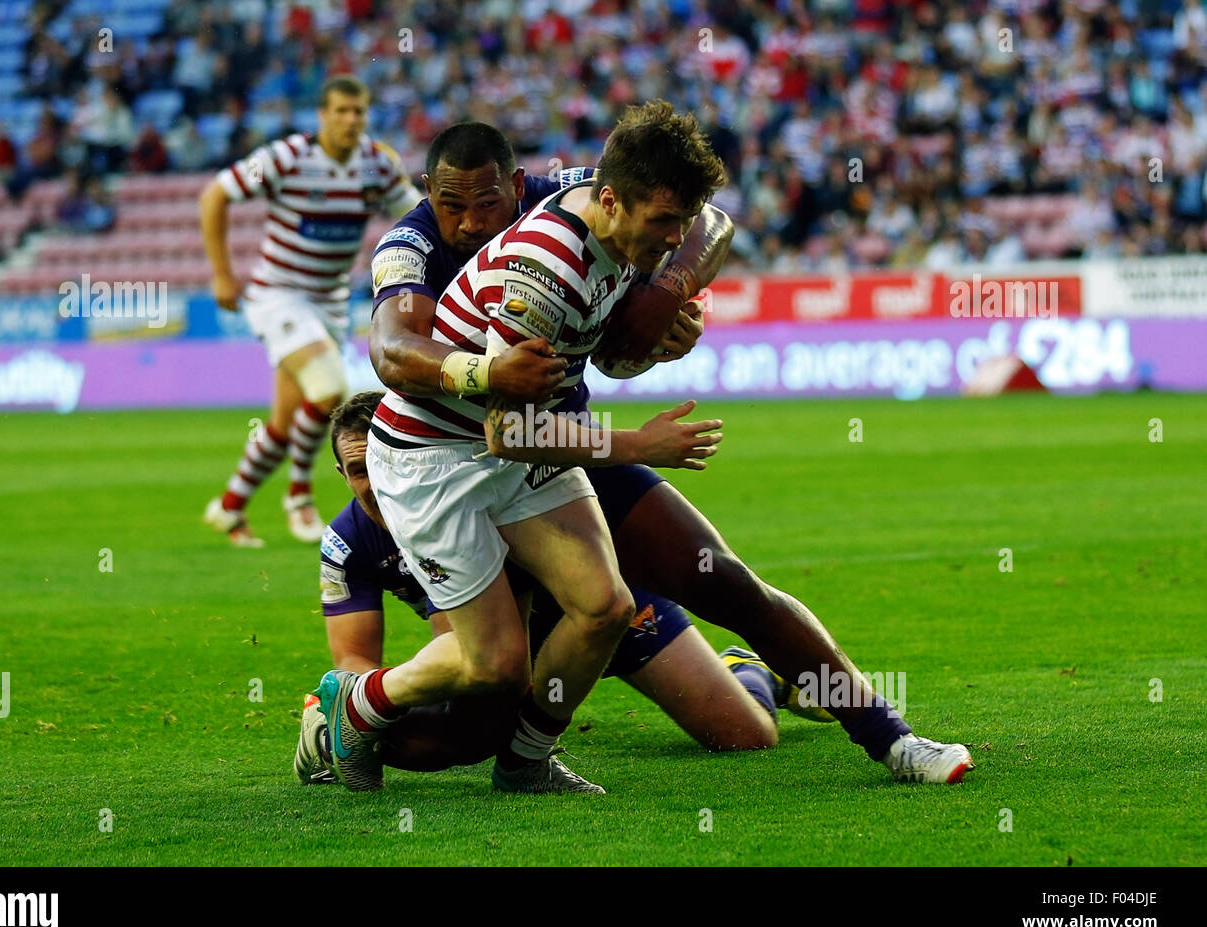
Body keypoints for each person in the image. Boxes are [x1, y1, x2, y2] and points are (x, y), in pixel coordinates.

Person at [361, 116, 977, 788]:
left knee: (725, 626)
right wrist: (623, 432)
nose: (473, 225)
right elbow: (400, 358)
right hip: (455, 457)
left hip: (558, 447)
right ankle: (345, 714)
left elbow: (710, 222)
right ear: (429, 192)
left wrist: (665, 292)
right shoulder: (434, 253)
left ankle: (890, 737)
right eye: (453, 207)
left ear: (515, 186)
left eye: (487, 205)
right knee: (479, 704)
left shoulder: (584, 194)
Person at [315, 102, 730, 795]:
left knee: (605, 606)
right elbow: (505, 430)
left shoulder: (615, 228)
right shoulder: (544, 265)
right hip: (435, 457)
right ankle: (353, 703)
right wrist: (638, 444)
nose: (676, 237)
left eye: (680, 222)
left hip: (515, 438)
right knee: (495, 665)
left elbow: (600, 355)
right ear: (612, 202)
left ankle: (525, 761)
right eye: (665, 223)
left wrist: (654, 340)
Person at [295, 391, 830, 784]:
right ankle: (522, 752)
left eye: (380, 464)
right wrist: (355, 710)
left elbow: (456, 646)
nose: (375, 483)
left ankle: (750, 670)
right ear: (342, 474)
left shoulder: (447, 499)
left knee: (745, 736)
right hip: (511, 639)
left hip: (599, 605)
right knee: (437, 729)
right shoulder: (346, 543)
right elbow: (353, 661)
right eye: (359, 470)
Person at [201, 75, 421, 547]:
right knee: (328, 389)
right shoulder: (287, 158)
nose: (350, 120)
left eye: (358, 112)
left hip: (329, 304)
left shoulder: (375, 167)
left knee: (284, 421)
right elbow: (215, 194)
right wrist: (222, 273)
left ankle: (230, 506)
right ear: (322, 115)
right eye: (340, 111)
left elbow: (415, 213)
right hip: (278, 294)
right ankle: (299, 496)